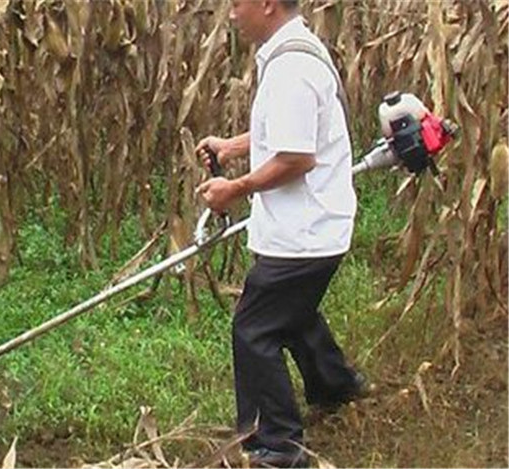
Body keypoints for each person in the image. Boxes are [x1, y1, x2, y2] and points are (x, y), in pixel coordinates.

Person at [195, 1, 368, 467]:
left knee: (255, 328)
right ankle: (337, 386)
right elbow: (290, 130)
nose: (231, 13)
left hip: (305, 234)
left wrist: (235, 188)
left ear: (268, 4)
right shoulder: (294, 49)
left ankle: (277, 444)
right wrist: (232, 147)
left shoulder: (291, 66)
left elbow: (296, 158)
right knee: (293, 312)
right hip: (315, 228)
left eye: (238, 3)